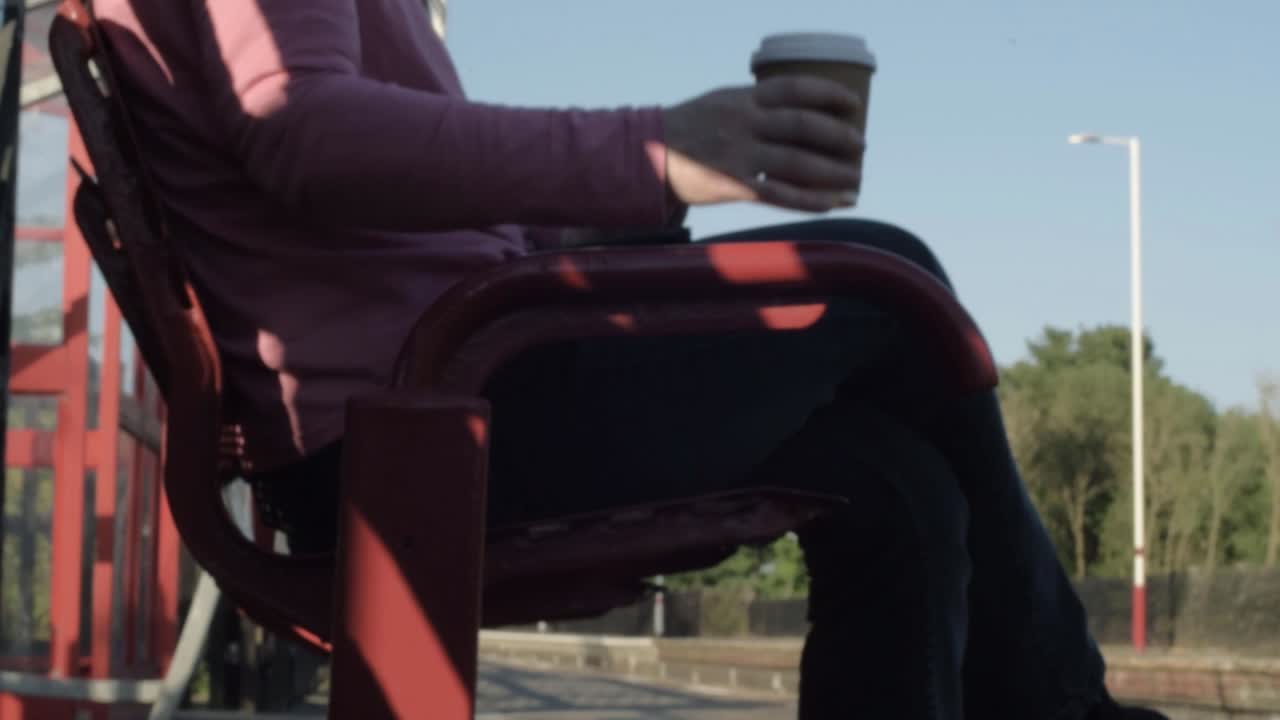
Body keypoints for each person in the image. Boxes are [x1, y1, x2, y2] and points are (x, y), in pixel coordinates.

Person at [95, 1, 1167, 717]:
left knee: (894, 481)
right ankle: (1061, 709)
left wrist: (607, 220)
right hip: (428, 418)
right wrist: (656, 150)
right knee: (884, 279)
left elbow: (366, 216)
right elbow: (304, 135)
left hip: (430, 390)